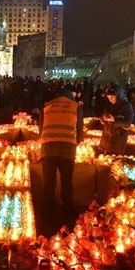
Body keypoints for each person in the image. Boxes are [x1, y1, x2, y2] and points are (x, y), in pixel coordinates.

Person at [39, 88, 83, 216]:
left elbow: (41, 128)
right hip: (67, 150)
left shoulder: (47, 106)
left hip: (48, 149)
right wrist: (75, 143)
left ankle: (47, 211)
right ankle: (67, 209)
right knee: (67, 181)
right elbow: (79, 130)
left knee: (49, 182)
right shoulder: (75, 107)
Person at [99, 86, 134, 155]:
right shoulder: (109, 105)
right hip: (105, 140)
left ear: (118, 95)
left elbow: (128, 123)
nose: (110, 100)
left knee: (113, 163)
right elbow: (102, 117)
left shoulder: (126, 106)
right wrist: (103, 118)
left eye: (112, 97)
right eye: (108, 98)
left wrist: (114, 120)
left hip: (117, 142)